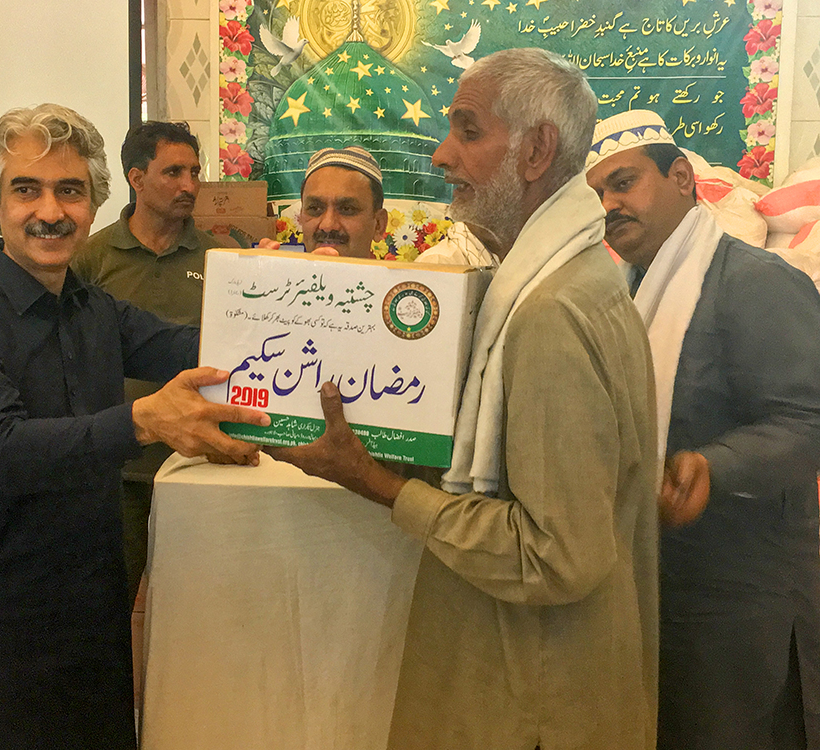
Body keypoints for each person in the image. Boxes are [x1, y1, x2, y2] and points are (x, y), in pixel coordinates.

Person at [269, 48, 660, 749]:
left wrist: (379, 484)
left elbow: (556, 556)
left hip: (529, 696)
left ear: (536, 151)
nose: (443, 155)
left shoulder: (548, 313)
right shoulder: (559, 278)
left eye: (468, 131)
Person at [0, 104, 268, 750]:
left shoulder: (94, 308)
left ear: (96, 203)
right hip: (2, 626)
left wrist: (284, 300)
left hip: (95, 615)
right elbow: (4, 449)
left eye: (70, 191)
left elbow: (199, 350)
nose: (50, 211)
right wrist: (143, 420)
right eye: (27, 189)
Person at [586, 109, 820, 749]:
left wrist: (716, 467)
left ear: (682, 177)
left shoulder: (755, 282)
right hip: (662, 596)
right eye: (598, 194)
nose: (609, 205)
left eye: (624, 183)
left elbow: (808, 419)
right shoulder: (626, 294)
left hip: (745, 612)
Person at [72, 120, 215, 606]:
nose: (189, 185)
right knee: (106, 605)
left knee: (197, 609)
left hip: (197, 466)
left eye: (194, 172)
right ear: (136, 177)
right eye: (173, 172)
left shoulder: (222, 258)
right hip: (118, 471)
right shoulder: (91, 257)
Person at [262, 146, 388, 258]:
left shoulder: (394, 278)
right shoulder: (282, 277)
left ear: (379, 225)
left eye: (346, 209)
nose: (327, 226)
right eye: (315, 209)